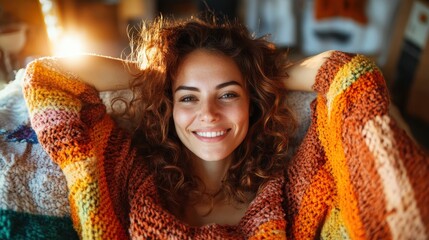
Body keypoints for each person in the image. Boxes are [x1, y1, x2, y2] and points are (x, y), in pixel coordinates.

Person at [22, 15, 429, 239]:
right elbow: (50, 73)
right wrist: (155, 75)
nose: (209, 113)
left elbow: (348, 73)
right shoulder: (136, 183)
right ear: (169, 108)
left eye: (229, 94)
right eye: (188, 97)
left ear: (253, 104)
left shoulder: (289, 192)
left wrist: (260, 76)